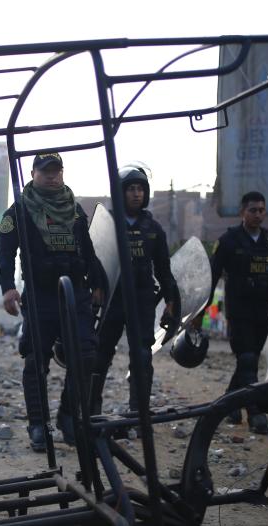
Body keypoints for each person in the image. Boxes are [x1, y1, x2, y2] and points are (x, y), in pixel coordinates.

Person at [0, 152, 104, 452]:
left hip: (76, 296)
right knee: (35, 361)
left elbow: (89, 250)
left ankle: (69, 417)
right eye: (46, 172)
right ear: (33, 174)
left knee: (85, 355)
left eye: (57, 171)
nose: (52, 176)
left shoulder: (76, 210)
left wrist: (98, 284)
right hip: (41, 296)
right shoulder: (18, 211)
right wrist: (7, 288)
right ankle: (38, 424)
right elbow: (4, 251)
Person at [90, 166, 178, 416]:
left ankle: (139, 411)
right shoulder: (107, 225)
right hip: (112, 301)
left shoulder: (154, 229)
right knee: (100, 354)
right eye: (131, 189)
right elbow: (95, 265)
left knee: (141, 356)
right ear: (121, 193)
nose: (136, 194)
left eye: (140, 189)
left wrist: (171, 304)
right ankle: (91, 408)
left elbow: (164, 270)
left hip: (141, 302)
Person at [207, 191, 268, 434]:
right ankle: (254, 412)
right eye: (253, 210)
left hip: (262, 309)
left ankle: (228, 401)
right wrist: (200, 310)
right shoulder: (229, 241)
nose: (258, 214)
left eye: (261, 210)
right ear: (242, 212)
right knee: (246, 359)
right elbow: (213, 276)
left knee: (249, 360)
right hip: (238, 310)